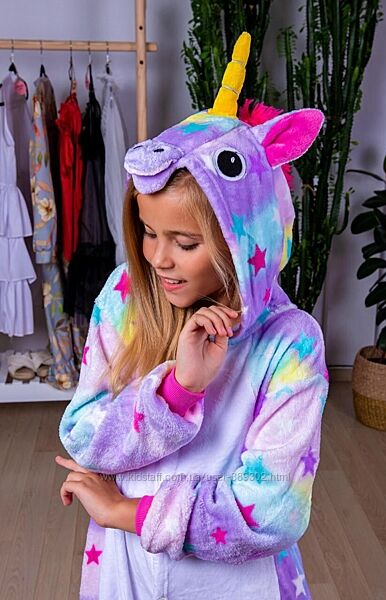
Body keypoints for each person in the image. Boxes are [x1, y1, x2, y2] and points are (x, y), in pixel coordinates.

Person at [56, 32, 329, 600]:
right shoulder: (126, 296)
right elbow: (84, 436)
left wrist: (125, 511)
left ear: (240, 240)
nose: (158, 258)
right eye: (148, 232)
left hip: (238, 584)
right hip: (125, 570)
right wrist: (177, 390)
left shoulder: (291, 343)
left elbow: (272, 510)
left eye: (184, 242)